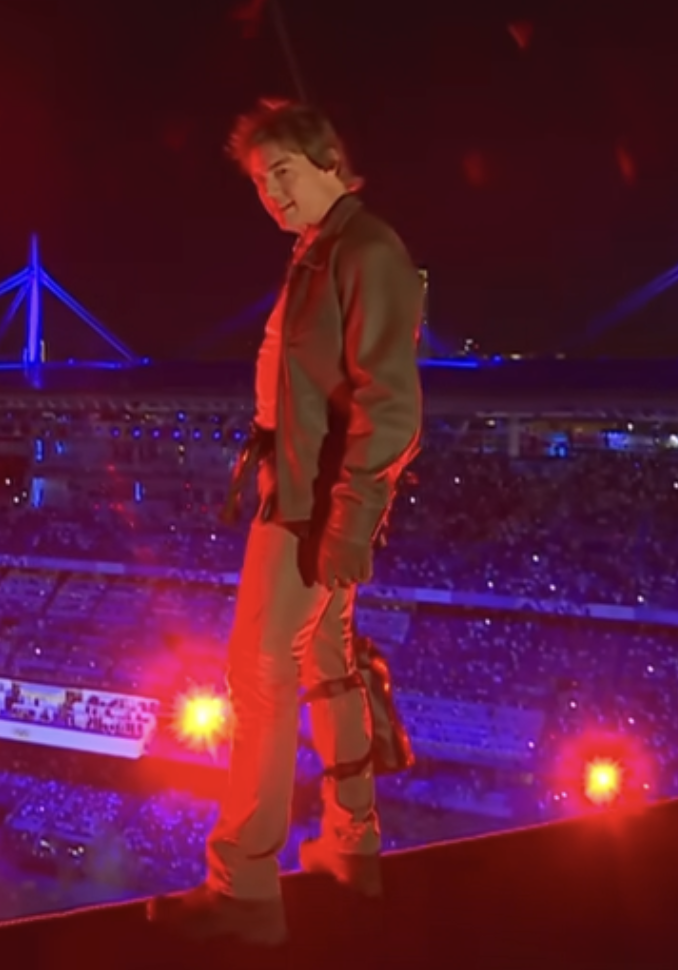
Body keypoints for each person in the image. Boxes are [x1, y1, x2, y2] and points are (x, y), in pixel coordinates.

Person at [148, 99, 423, 946]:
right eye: (261, 182)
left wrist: (345, 520)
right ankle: (353, 846)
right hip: (306, 495)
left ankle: (245, 889)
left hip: (311, 507)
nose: (273, 194)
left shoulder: (364, 250)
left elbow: (391, 404)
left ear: (330, 159)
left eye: (285, 173)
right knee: (328, 666)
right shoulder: (322, 251)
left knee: (260, 676)